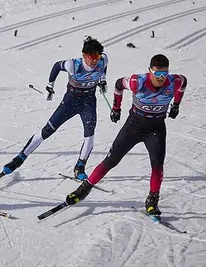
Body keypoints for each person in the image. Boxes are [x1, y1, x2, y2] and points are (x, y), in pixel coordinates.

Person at [65, 54, 187, 217]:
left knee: (157, 165)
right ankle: (83, 190)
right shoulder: (138, 81)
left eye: (164, 74)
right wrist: (116, 108)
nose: (161, 78)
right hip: (134, 126)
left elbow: (183, 84)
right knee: (111, 160)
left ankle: (152, 201)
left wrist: (176, 105)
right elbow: (118, 85)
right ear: (150, 71)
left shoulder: (175, 81)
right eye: (157, 74)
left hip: (156, 128)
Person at [0, 37, 108, 181]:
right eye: (93, 57)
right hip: (71, 101)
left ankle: (80, 166)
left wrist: (103, 79)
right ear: (85, 55)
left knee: (90, 135)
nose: (95, 61)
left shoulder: (103, 60)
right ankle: (19, 159)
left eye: (98, 56)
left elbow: (104, 66)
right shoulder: (72, 65)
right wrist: (50, 86)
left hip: (89, 102)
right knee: (48, 130)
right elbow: (56, 66)